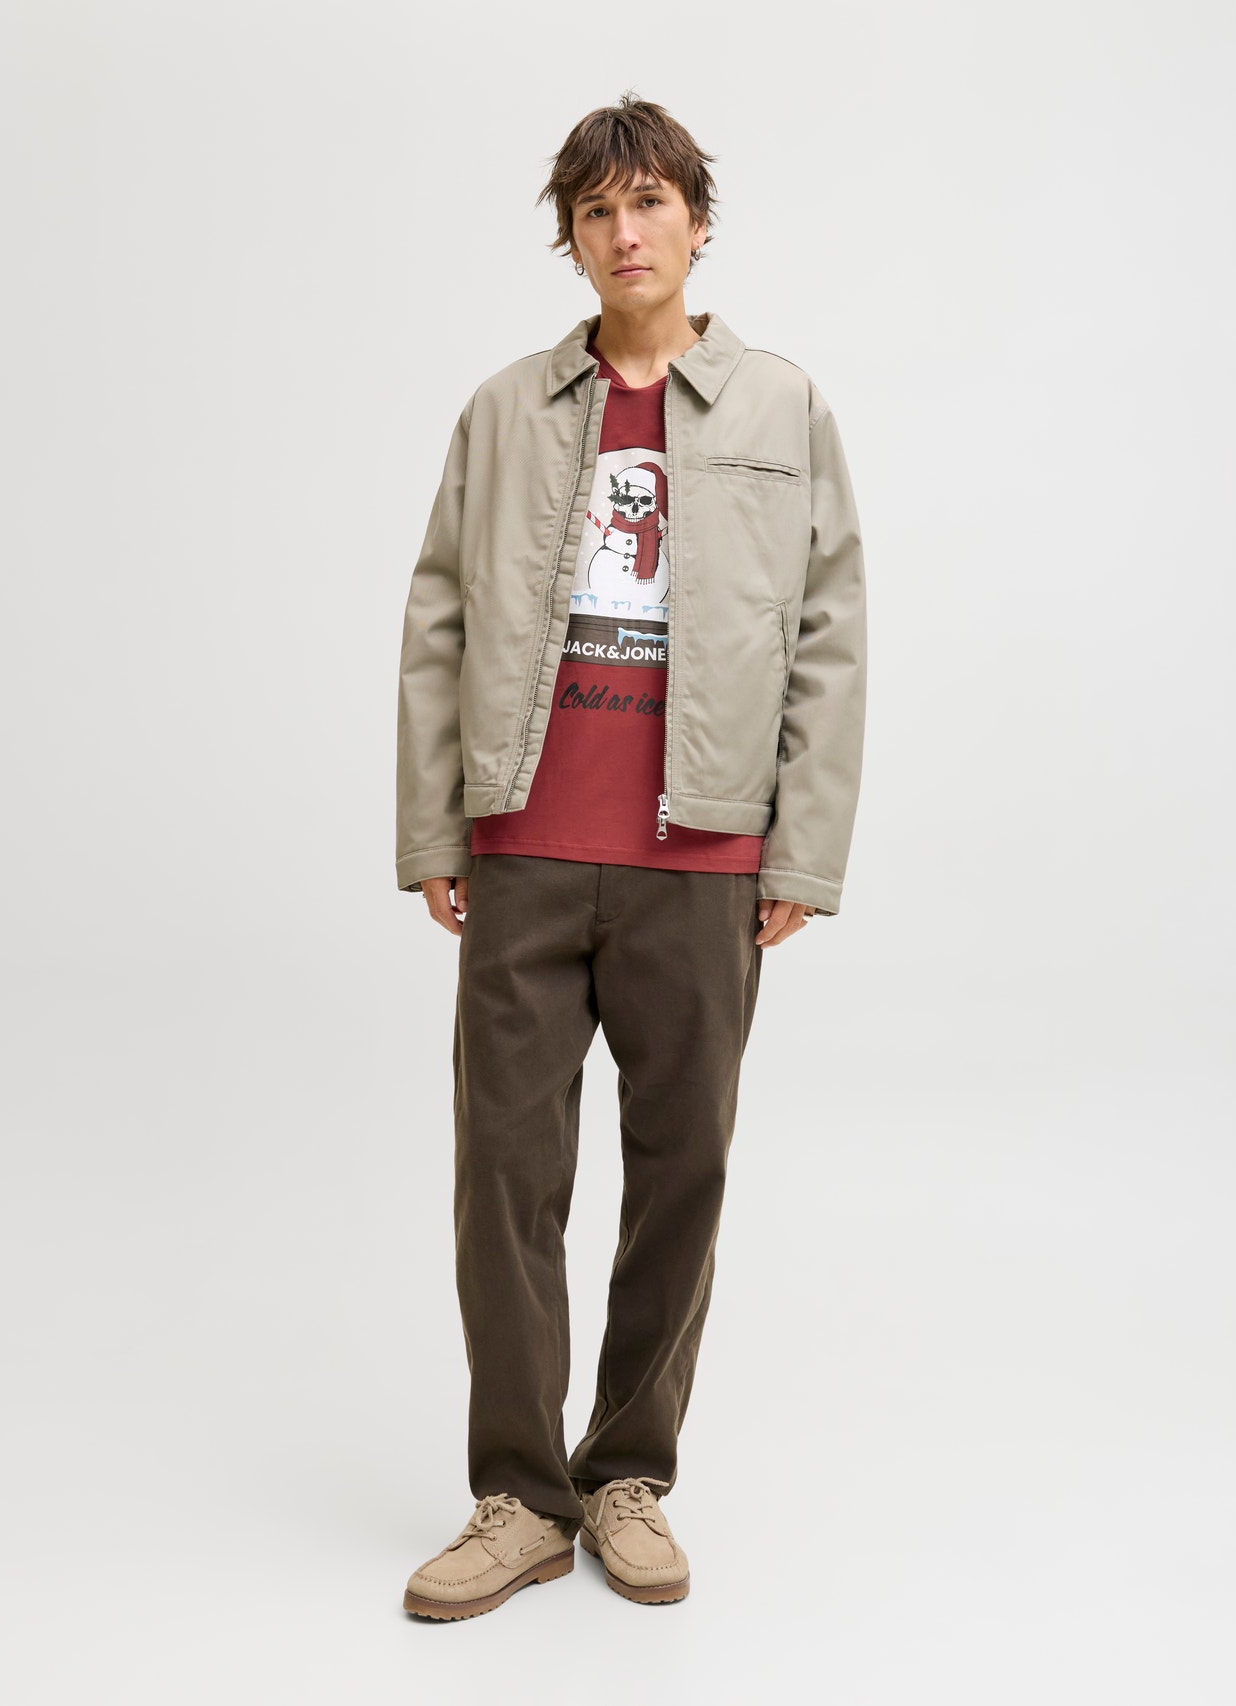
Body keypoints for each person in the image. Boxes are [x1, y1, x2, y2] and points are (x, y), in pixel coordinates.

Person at [395, 91, 867, 1621]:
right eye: (596, 210)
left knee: (684, 1174)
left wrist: (801, 848)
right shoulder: (503, 411)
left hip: (702, 858)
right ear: (573, 239)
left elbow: (830, 634)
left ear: (698, 222)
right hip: (526, 846)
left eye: (651, 201)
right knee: (504, 1179)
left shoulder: (783, 407)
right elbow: (437, 619)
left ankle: (627, 1473)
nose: (625, 231)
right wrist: (435, 826)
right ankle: (519, 1495)